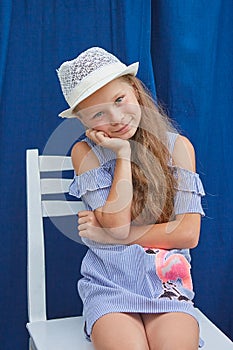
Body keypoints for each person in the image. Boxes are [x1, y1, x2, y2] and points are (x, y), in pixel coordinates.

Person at [57, 47, 205, 350]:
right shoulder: (85, 153)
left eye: (119, 100)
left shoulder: (178, 148)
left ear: (135, 91)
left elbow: (188, 234)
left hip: (167, 286)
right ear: (85, 122)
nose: (115, 118)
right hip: (110, 285)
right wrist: (123, 155)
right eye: (98, 114)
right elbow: (116, 223)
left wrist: (112, 237)